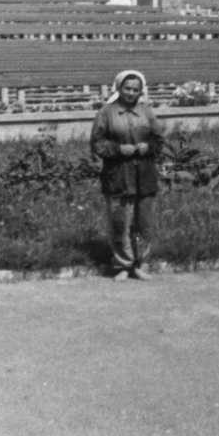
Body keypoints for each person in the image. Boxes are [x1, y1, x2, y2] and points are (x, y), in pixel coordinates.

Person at [90, 69, 165, 281]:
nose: (131, 93)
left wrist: (148, 147)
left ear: (141, 92)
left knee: (143, 222)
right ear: (119, 88)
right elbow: (97, 142)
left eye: (135, 89)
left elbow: (159, 141)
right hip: (117, 177)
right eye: (127, 88)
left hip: (144, 177)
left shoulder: (146, 113)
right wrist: (117, 149)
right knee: (119, 222)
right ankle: (122, 265)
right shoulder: (106, 113)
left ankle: (139, 263)